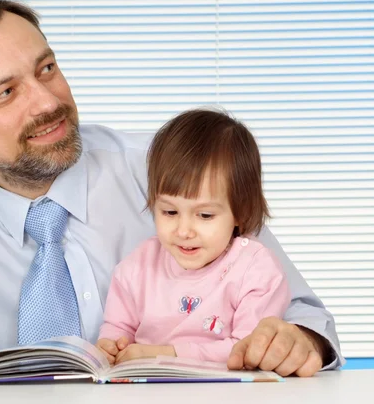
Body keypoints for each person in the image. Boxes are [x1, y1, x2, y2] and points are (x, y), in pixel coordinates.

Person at [0, 0, 344, 376]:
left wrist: (297, 341)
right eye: (6, 93)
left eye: (46, 68)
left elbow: (303, 315)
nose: (48, 102)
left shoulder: (168, 168)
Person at [96, 109, 291, 365]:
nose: (184, 231)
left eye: (205, 215)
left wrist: (166, 354)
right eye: (170, 211)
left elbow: (247, 351)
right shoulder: (139, 265)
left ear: (240, 213)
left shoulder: (255, 269)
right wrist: (111, 345)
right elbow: (116, 327)